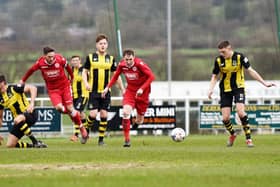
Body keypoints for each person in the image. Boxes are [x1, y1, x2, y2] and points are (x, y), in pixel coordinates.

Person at [208, 40, 276, 147]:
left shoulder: (240, 57)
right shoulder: (218, 60)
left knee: (241, 112)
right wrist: (210, 89)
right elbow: (215, 76)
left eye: (223, 52)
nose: (221, 54)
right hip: (225, 90)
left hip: (238, 88)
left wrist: (264, 83)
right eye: (220, 52)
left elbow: (250, 71)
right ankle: (233, 134)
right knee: (225, 118)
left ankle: (248, 139)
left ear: (229, 49)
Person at [20, 46, 88, 144]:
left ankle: (82, 128)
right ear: (44, 56)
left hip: (65, 87)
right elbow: (31, 70)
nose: (52, 58)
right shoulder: (40, 63)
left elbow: (68, 67)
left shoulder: (60, 59)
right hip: (53, 90)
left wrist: (72, 77)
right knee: (59, 108)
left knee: (69, 107)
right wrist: (23, 80)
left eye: (53, 56)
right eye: (49, 57)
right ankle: (72, 113)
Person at [102, 49, 155, 147]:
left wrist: (142, 89)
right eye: (126, 60)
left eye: (130, 59)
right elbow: (115, 77)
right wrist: (107, 88)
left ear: (134, 58)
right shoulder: (122, 65)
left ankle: (136, 123)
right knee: (126, 112)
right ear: (124, 59)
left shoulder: (139, 64)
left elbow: (152, 77)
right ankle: (127, 140)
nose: (128, 62)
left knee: (140, 120)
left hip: (143, 93)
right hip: (130, 91)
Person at [82, 34, 124, 146]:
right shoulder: (90, 57)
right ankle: (86, 131)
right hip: (93, 91)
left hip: (106, 91)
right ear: (96, 45)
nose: (103, 45)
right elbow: (84, 72)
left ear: (107, 45)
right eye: (101, 43)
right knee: (93, 114)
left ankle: (101, 140)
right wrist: (86, 83)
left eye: (105, 43)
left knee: (104, 115)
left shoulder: (110, 59)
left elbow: (116, 75)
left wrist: (122, 88)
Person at [0, 75, 47, 148]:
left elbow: (33, 88)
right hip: (19, 121)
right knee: (10, 144)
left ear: (3, 83)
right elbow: (0, 118)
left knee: (17, 119)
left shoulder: (14, 88)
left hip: (30, 114)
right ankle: (33, 145)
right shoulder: (0, 99)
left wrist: (32, 103)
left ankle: (35, 141)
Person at [69, 55, 89, 142]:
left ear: (80, 61)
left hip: (83, 94)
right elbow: (69, 82)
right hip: (74, 96)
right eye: (73, 61)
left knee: (76, 113)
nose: (75, 62)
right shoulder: (71, 70)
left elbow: (90, 78)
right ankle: (86, 132)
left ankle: (76, 135)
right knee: (81, 115)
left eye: (76, 60)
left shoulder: (84, 69)